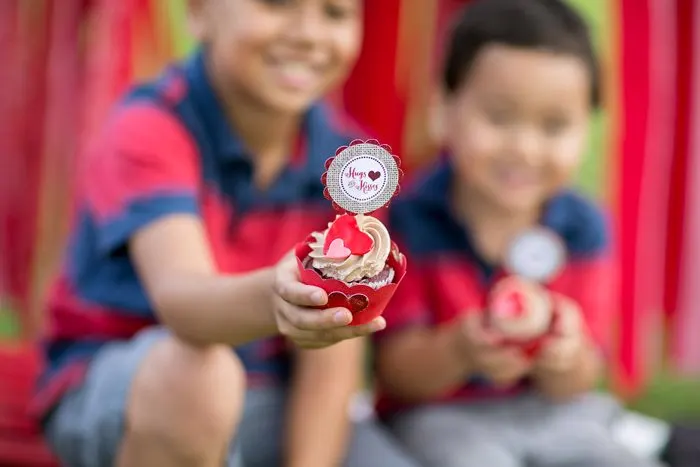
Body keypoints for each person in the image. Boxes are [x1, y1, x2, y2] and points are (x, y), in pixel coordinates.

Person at [32, 1, 419, 466]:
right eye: (278, 4)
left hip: (268, 397)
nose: (310, 34)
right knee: (201, 376)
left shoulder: (348, 163)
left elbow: (332, 359)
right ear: (198, 13)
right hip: (128, 386)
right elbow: (183, 303)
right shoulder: (151, 128)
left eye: (335, 14)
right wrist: (281, 296)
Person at [372, 1, 661, 466]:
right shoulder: (409, 220)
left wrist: (565, 356)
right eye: (500, 118)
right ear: (443, 109)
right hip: (442, 416)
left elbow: (584, 376)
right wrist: (461, 349)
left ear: (588, 127)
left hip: (554, 412)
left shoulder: (582, 226)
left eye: (554, 126)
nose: (525, 148)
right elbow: (396, 375)